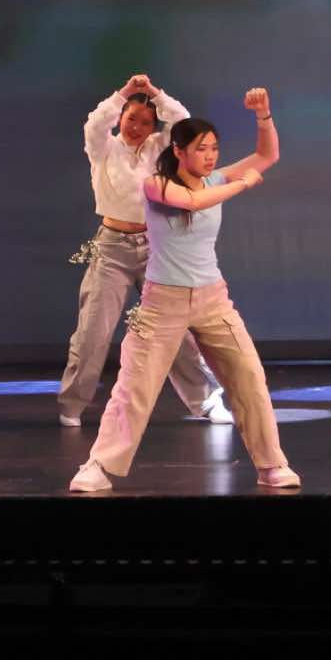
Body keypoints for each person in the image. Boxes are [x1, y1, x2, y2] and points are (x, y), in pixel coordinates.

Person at [70, 89, 299, 493]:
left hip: (213, 299)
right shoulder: (155, 184)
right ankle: (97, 465)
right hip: (162, 303)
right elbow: (193, 202)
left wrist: (264, 116)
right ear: (178, 151)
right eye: (201, 149)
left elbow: (267, 155)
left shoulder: (216, 178)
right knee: (134, 388)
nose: (210, 157)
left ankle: (271, 465)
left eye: (214, 149)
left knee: (249, 377)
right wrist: (242, 184)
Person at [59, 74, 227, 428]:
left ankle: (204, 400)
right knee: (93, 332)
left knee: (175, 328)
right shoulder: (103, 147)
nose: (136, 127)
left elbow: (182, 121)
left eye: (145, 122)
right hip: (111, 248)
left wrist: (153, 93)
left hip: (155, 247)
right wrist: (125, 93)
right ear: (120, 117)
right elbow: (95, 122)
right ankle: (72, 404)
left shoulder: (159, 148)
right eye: (131, 118)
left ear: (154, 127)